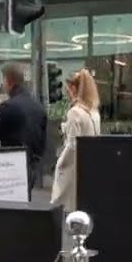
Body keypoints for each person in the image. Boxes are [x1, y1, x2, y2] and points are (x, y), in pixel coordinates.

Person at [0, 63, 47, 190]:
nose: (2, 84)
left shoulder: (9, 106)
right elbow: (42, 142)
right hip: (31, 166)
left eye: (3, 80)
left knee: (11, 206)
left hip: (11, 166)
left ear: (9, 81)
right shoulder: (38, 106)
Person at [50, 69, 101, 213]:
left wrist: (60, 164)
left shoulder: (75, 112)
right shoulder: (94, 112)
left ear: (73, 88)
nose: (67, 93)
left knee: (67, 209)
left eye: (68, 89)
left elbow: (72, 145)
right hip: (89, 165)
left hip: (74, 168)